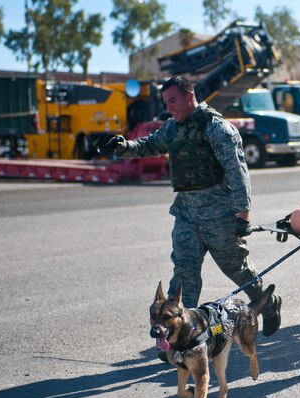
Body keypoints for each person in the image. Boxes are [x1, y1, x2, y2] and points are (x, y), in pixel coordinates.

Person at [105, 76, 282, 337]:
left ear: (190, 96)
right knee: (184, 276)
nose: (169, 107)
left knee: (238, 269)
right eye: (166, 102)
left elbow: (238, 172)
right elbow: (151, 145)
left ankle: (268, 303)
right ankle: (182, 334)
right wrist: (124, 147)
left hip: (219, 214)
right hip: (186, 214)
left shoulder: (217, 128)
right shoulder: (172, 128)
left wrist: (243, 214)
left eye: (173, 100)